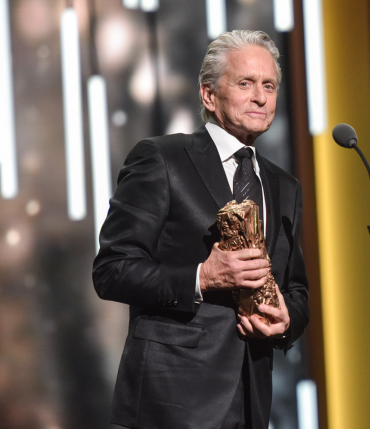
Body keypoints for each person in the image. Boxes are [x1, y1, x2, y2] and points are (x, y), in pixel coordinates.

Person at [93, 30, 309, 429]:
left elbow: (296, 289)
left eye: (269, 86)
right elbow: (112, 270)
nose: (260, 97)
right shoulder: (162, 159)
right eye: (245, 83)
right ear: (208, 95)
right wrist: (202, 277)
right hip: (171, 401)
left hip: (253, 402)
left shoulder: (285, 187)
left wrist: (287, 320)